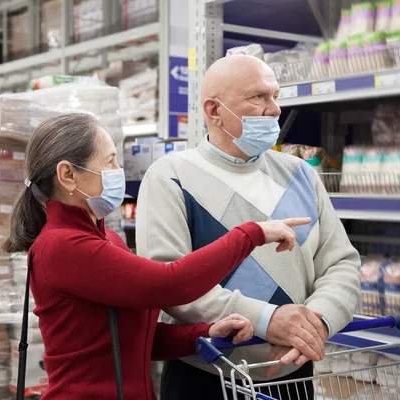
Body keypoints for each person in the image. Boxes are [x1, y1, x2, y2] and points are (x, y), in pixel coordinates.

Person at [3, 113, 313, 400]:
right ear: (68, 174)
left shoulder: (104, 238)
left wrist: (201, 334)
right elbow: (170, 283)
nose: (117, 173)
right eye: (109, 161)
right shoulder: (62, 246)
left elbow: (132, 340)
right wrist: (252, 234)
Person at [136, 55, 361, 399]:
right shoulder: (171, 176)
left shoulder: (301, 175)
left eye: (276, 96)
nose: (274, 109)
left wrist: (311, 325)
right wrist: (268, 320)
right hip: (206, 376)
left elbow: (341, 265)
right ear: (214, 110)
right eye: (258, 97)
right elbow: (169, 281)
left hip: (293, 374)